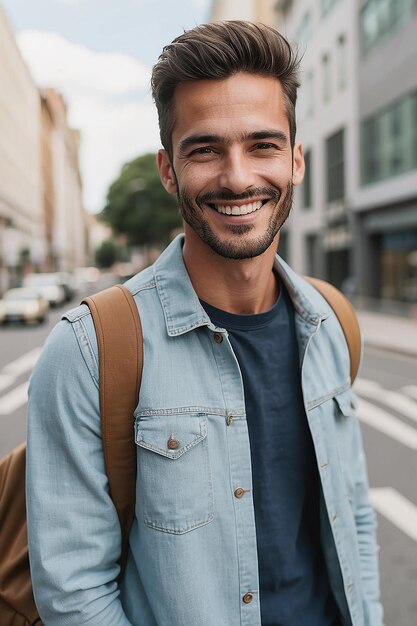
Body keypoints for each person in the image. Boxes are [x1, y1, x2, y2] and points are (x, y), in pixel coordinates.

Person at [27, 21, 383, 626]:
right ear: (169, 169)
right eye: (206, 149)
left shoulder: (330, 321)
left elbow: (353, 516)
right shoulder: (89, 351)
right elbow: (75, 595)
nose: (239, 177)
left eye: (263, 145)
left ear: (295, 160)